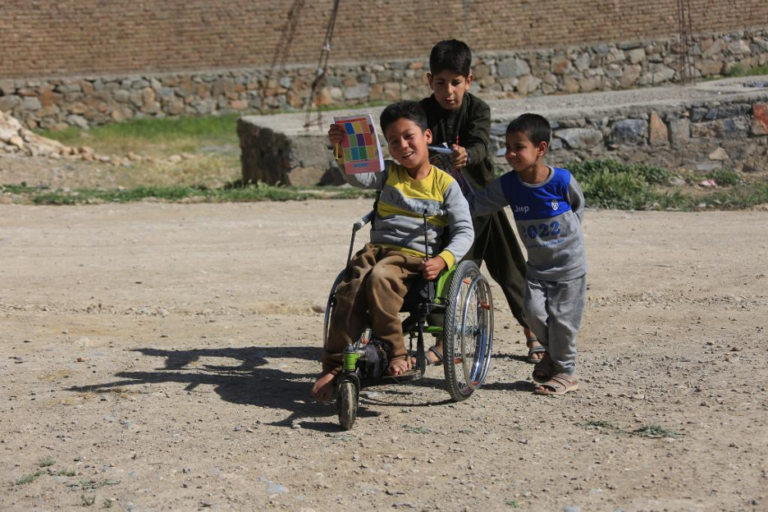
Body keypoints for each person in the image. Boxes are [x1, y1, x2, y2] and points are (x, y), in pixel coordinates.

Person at [311, 101, 475, 402]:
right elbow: (356, 177)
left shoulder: (446, 185)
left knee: (380, 277)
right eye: (394, 141)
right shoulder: (389, 174)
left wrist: (442, 260)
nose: (402, 145)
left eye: (408, 136)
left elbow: (465, 231)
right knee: (349, 290)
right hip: (376, 250)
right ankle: (335, 366)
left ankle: (395, 352)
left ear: (426, 136)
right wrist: (341, 149)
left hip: (413, 258)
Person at [419, 39, 542, 365]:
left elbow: (480, 145)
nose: (449, 91)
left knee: (512, 270)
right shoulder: (421, 112)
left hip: (484, 202)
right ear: (429, 80)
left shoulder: (478, 109)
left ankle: (534, 333)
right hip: (446, 208)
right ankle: (445, 343)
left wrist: (466, 155)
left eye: (456, 83)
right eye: (441, 82)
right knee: (447, 270)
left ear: (468, 81)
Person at [467, 113, 587, 395]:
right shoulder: (509, 185)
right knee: (531, 313)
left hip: (569, 267)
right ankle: (552, 355)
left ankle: (566, 372)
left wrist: (567, 245)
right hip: (537, 268)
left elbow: (577, 208)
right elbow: (478, 203)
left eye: (518, 147)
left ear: (540, 149)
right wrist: (446, 205)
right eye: (507, 147)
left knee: (563, 321)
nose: (510, 154)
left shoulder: (561, 181)